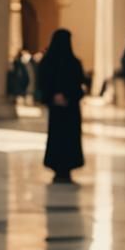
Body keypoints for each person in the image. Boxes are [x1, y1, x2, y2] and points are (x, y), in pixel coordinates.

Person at [38, 29, 87, 185]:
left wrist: (55, 97)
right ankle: (65, 168)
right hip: (69, 109)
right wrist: (67, 97)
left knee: (59, 137)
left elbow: (43, 84)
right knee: (67, 138)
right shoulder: (74, 63)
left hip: (59, 109)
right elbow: (80, 86)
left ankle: (60, 168)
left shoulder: (47, 62)